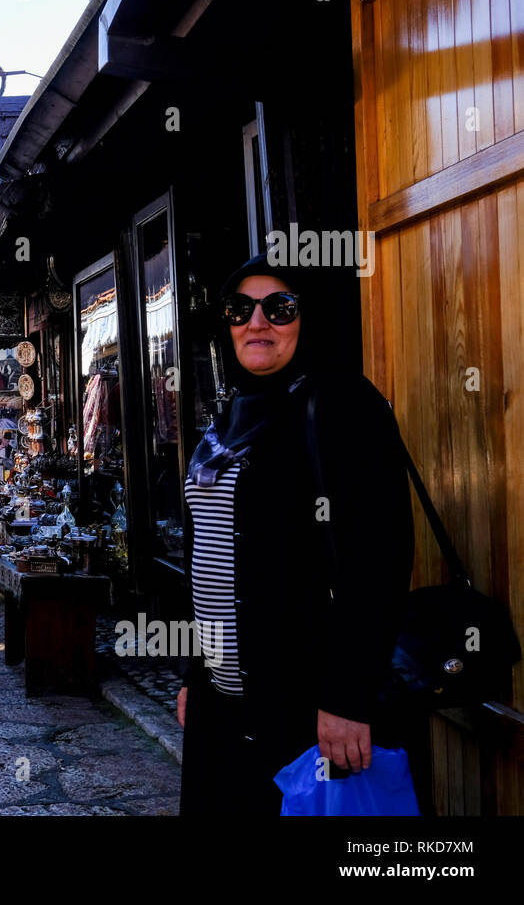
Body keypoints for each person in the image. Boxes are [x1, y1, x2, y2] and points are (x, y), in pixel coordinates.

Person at [175, 253, 414, 816]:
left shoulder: (342, 406)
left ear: (309, 319)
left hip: (305, 705)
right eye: (240, 309)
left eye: (279, 308)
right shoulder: (230, 413)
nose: (257, 323)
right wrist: (195, 672)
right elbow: (207, 558)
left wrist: (346, 698)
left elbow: (379, 559)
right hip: (222, 706)